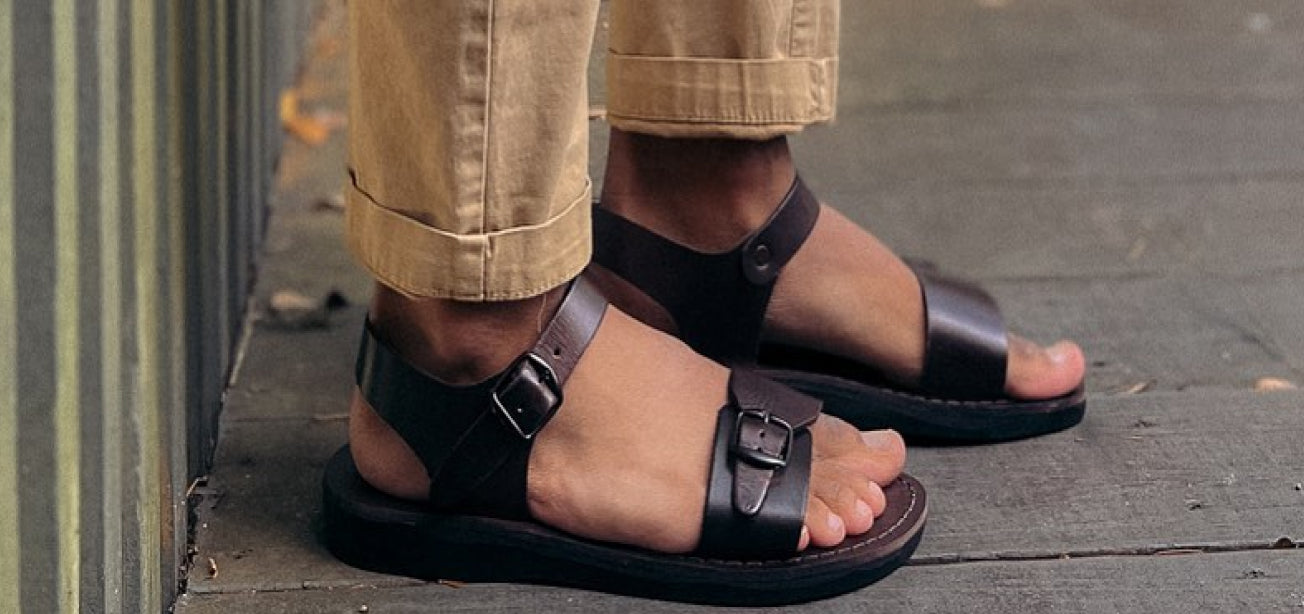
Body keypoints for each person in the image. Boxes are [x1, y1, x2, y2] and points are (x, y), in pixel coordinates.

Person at [321, 1, 1086, 605]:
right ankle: (471, 330)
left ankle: (705, 171)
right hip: (479, 376)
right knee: (478, 277)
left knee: (716, 124)